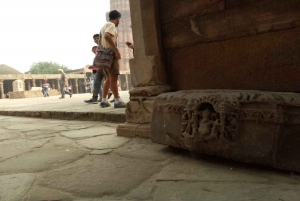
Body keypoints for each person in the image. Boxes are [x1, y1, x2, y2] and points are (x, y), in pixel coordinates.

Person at [99, 10, 126, 108]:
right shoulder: (111, 25)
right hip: (110, 54)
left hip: (104, 55)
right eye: (119, 19)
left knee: (109, 78)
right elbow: (106, 36)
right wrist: (116, 50)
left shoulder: (104, 26)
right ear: (117, 18)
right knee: (114, 77)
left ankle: (104, 100)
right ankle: (117, 100)